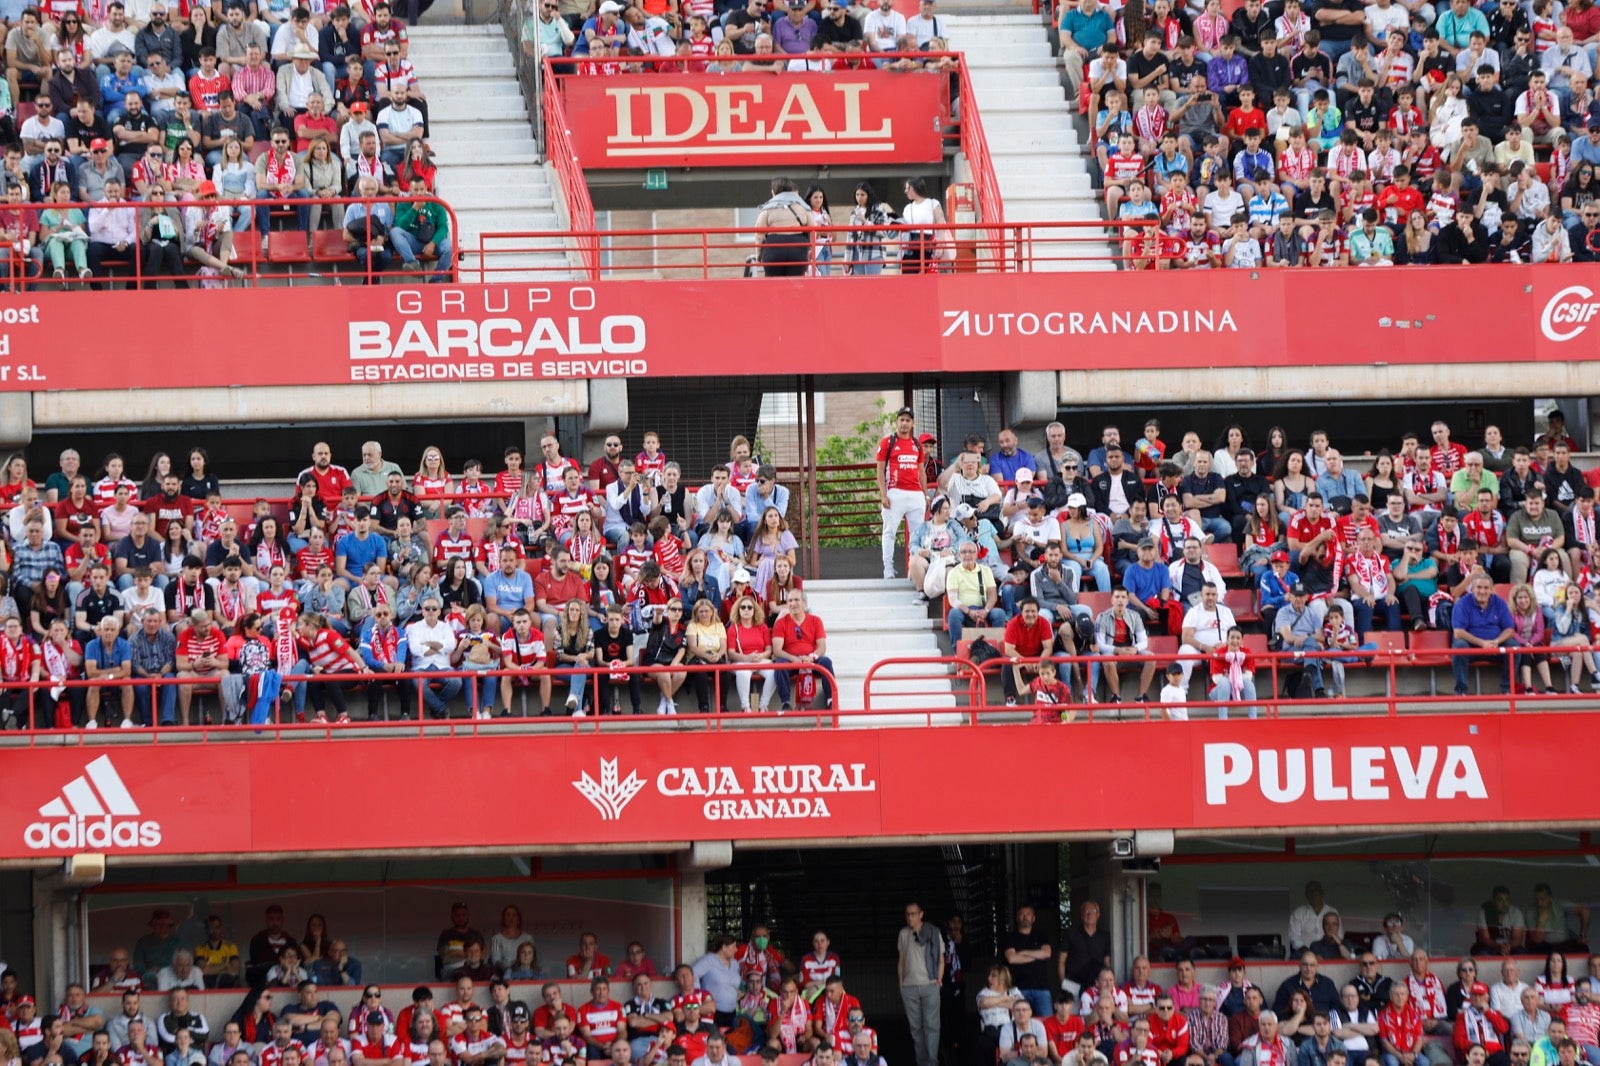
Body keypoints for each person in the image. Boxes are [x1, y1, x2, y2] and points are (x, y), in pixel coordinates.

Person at [878, 406, 928, 581]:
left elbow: (921, 471)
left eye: (908, 420)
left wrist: (925, 494)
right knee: (889, 531)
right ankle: (888, 569)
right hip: (895, 492)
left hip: (915, 494)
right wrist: (884, 494)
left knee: (917, 534)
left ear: (913, 423)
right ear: (897, 421)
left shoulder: (917, 445)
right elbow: (880, 470)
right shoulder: (887, 442)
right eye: (901, 419)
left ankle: (914, 570)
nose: (904, 423)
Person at [898, 902, 944, 1066]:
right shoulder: (903, 933)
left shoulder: (933, 931)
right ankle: (922, 1062)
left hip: (930, 984)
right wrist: (901, 984)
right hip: (909, 986)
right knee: (916, 1028)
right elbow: (901, 961)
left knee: (932, 1026)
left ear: (921, 914)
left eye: (913, 913)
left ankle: (932, 1061)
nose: (910, 917)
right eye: (907, 914)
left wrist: (938, 980)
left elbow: (940, 959)